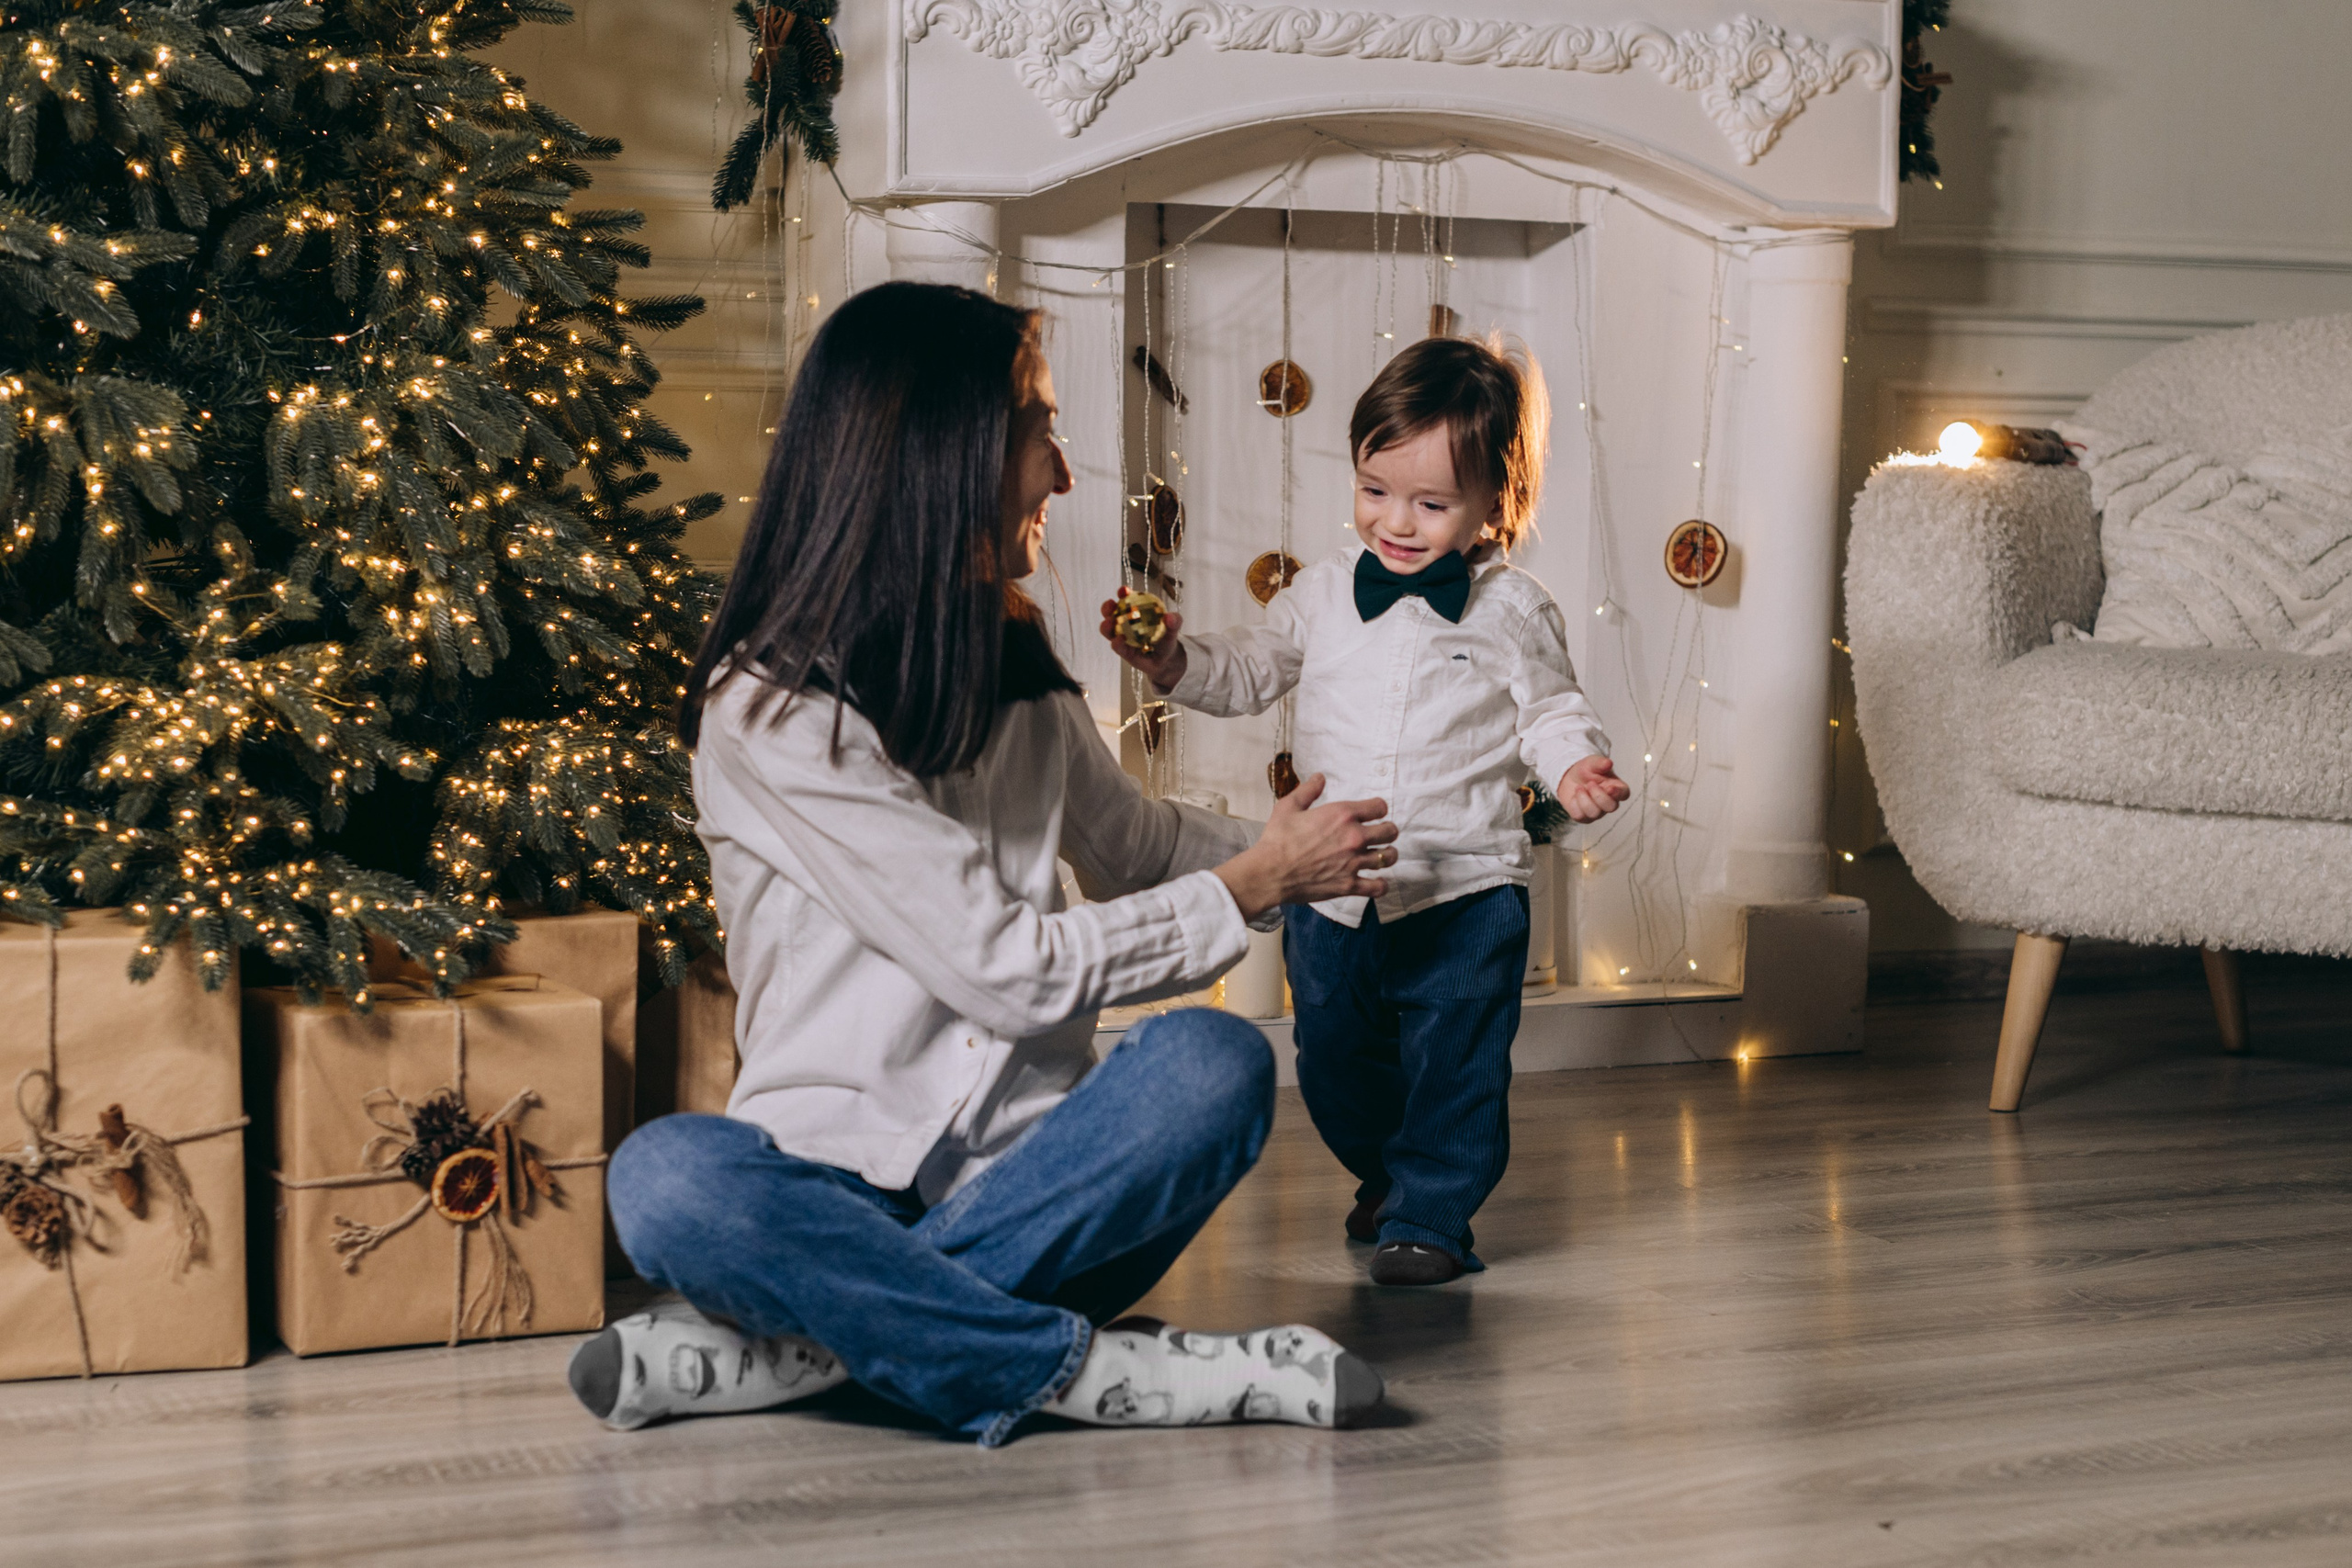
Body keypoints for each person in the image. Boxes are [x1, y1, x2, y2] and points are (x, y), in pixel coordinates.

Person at [571, 281, 1400, 1447]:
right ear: (937, 450)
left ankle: (821, 1350)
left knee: (1213, 1063)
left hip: (1031, 1182)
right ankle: (1098, 1373)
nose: (1062, 474)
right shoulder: (769, 708)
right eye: (1040, 430)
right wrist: (1252, 885)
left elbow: (1136, 850)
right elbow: (1006, 970)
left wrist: (1314, 854)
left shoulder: (1009, 642)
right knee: (667, 1178)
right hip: (830, 1186)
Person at [1102, 335, 1631, 1288]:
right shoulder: (1321, 592)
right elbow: (1253, 668)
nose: (1397, 521)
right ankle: (1386, 1173)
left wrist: (1576, 768)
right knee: (1333, 1052)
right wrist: (1176, 663)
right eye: (1375, 490)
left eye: (1431, 505)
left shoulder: (1512, 611)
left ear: (1493, 506)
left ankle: (1431, 1215)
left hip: (1465, 887)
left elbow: (1549, 710)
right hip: (1332, 883)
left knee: (1455, 1062)